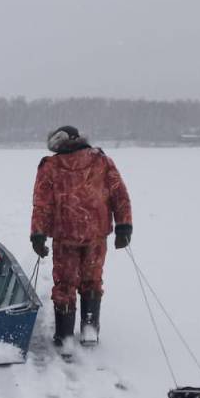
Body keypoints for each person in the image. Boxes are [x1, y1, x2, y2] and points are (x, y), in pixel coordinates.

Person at [30, 125, 132, 349]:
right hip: (95, 233)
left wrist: (38, 233)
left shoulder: (50, 166)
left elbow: (42, 204)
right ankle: (88, 329)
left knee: (65, 283)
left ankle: (66, 336)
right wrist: (124, 225)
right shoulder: (101, 160)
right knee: (92, 279)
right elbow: (120, 194)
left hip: (66, 234)